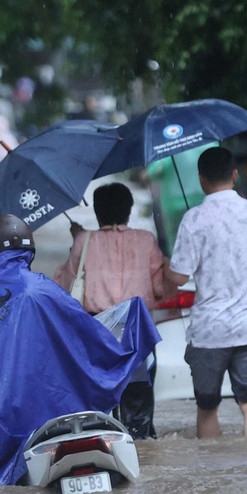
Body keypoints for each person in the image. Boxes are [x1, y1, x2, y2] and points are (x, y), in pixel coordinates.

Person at [0, 215, 160, 493]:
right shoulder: (39, 289)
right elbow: (85, 336)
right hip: (18, 410)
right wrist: (130, 327)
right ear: (29, 252)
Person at [165, 146, 247, 441]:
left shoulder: (193, 219)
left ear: (201, 180)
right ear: (235, 175)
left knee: (207, 408)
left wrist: (164, 266)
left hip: (209, 332)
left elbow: (179, 276)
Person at [53, 182, 166, 439]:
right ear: (129, 210)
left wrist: (77, 244)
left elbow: (65, 287)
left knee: (98, 402)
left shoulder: (84, 240)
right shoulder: (145, 240)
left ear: (97, 212)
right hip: (137, 331)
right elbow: (159, 288)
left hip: (96, 330)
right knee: (138, 406)